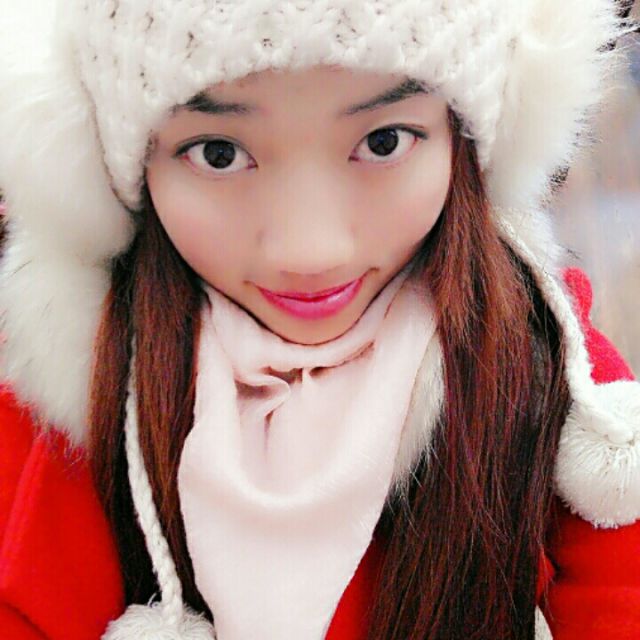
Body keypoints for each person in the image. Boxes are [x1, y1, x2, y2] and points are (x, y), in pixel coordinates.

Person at [0, 1, 639, 639]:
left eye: (383, 142)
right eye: (218, 153)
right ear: (125, 169)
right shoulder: (62, 417)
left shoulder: (560, 379)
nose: (310, 252)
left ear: (464, 143)